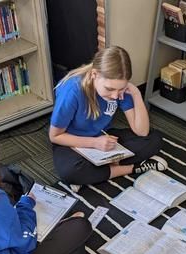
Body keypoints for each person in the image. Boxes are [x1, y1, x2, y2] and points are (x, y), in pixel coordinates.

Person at [49, 46, 167, 190]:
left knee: (154, 140)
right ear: (94, 74)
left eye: (121, 89)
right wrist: (94, 143)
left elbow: (142, 132)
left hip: (104, 137)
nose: (116, 96)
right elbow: (55, 136)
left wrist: (136, 94)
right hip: (72, 142)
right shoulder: (72, 91)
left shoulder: (119, 89)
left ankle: (94, 173)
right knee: (70, 172)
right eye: (110, 89)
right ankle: (132, 168)